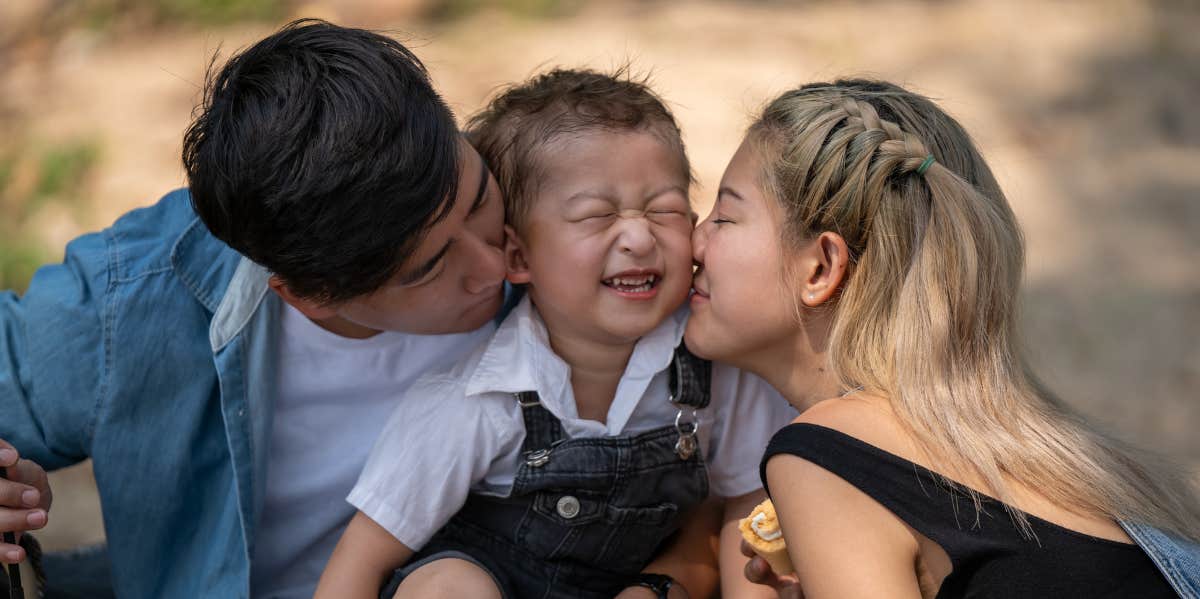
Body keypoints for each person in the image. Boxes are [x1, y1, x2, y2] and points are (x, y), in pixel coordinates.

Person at [0, 19, 512, 598]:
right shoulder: (137, 297)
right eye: (429, 267)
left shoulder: (549, 211)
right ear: (310, 296)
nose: (495, 266)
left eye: (480, 198)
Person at [686, 78, 1200, 598]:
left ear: (820, 267)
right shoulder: (1056, 452)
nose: (694, 240)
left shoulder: (829, 453)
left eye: (724, 217)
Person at [315, 68, 796, 599]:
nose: (638, 236)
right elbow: (360, 560)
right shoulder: (474, 400)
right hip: (492, 583)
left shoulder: (715, 363)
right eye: (596, 216)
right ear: (519, 256)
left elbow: (747, 511)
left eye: (666, 210)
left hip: (637, 583)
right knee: (449, 588)